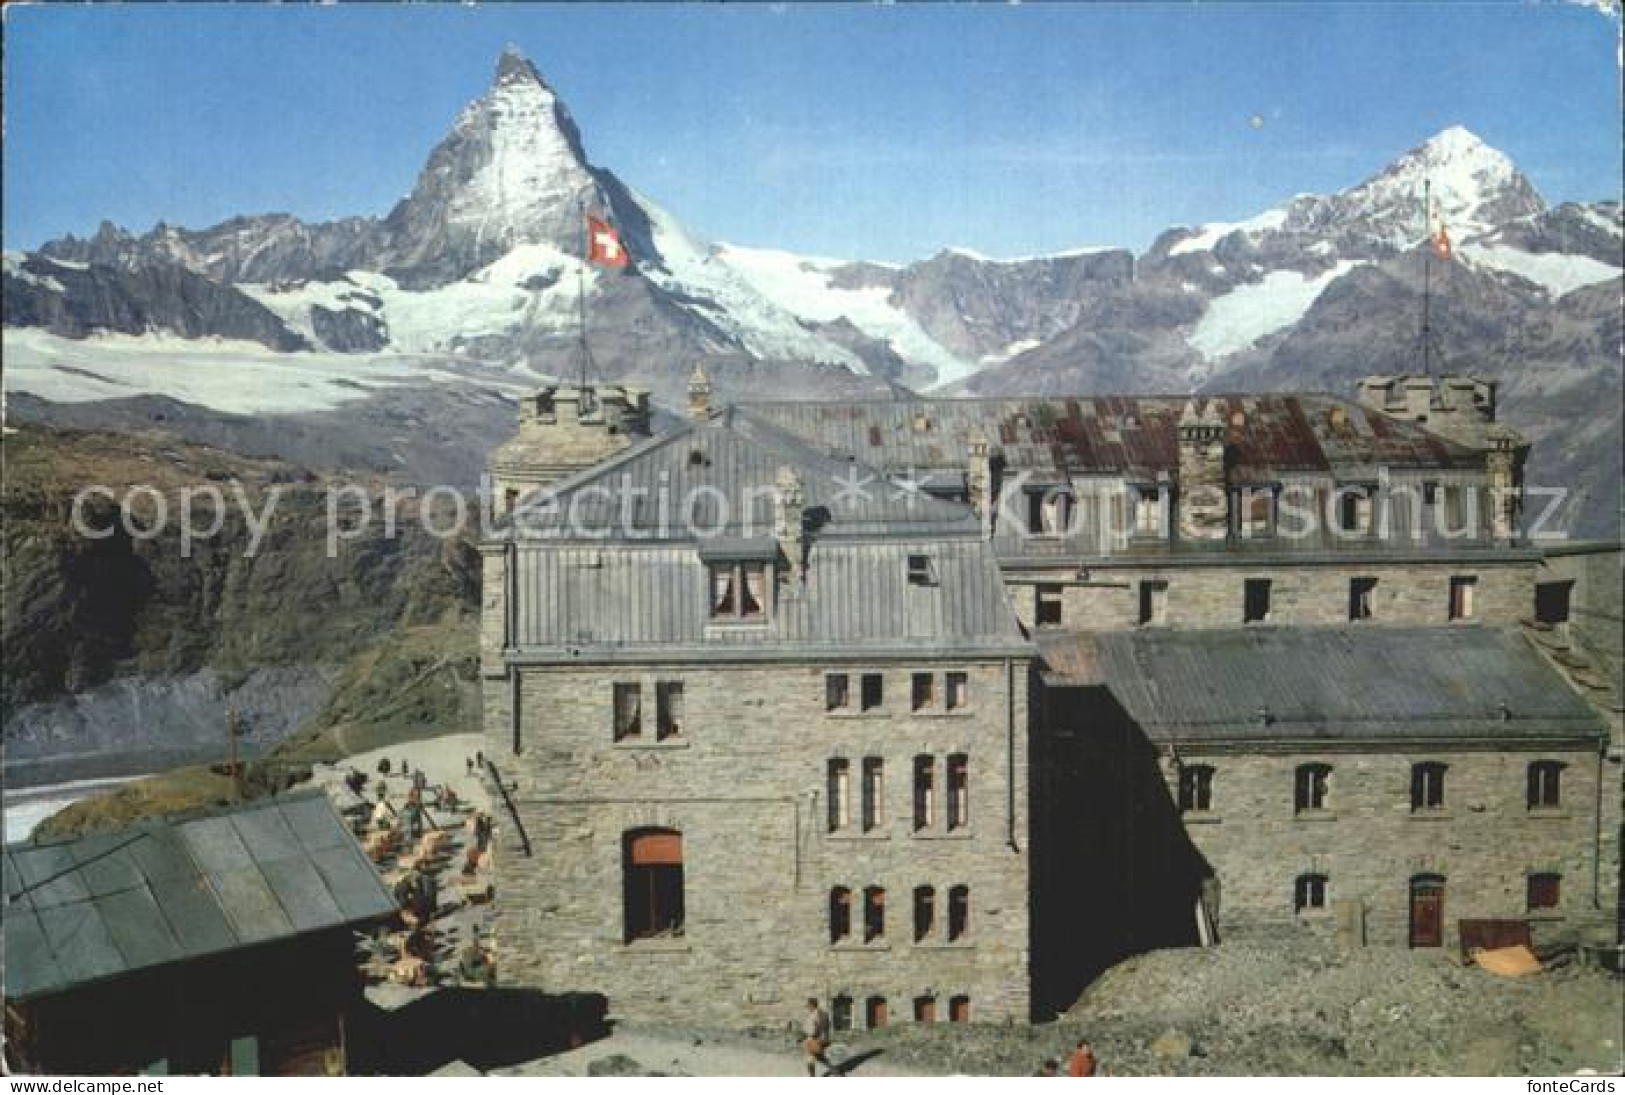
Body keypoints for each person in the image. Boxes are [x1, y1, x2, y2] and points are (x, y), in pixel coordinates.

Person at [801, 998, 832, 1077]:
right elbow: (809, 1027)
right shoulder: (812, 1014)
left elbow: (821, 1026)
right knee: (816, 1059)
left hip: (816, 1040)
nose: (807, 1007)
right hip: (811, 1040)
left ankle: (836, 1070)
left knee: (813, 1059)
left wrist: (814, 1035)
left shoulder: (820, 1014)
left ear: (812, 1005)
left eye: (808, 1005)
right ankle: (836, 1071)